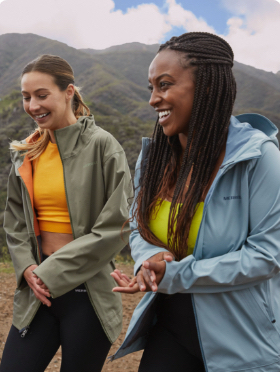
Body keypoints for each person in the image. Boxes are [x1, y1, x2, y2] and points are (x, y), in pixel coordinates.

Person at [110, 32, 280, 372]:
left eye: (165, 85)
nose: (154, 99)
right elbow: (139, 224)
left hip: (241, 340)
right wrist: (149, 257)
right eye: (151, 88)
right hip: (170, 326)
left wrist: (175, 274)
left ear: (205, 87)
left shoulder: (259, 158)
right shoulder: (154, 157)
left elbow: (265, 257)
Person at [1, 54, 132, 372]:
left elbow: (116, 225)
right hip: (37, 291)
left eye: (42, 95)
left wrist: (49, 274)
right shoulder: (26, 153)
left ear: (68, 92)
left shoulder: (103, 146)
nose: (33, 105)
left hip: (88, 295)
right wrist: (29, 267)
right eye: (26, 97)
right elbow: (15, 221)